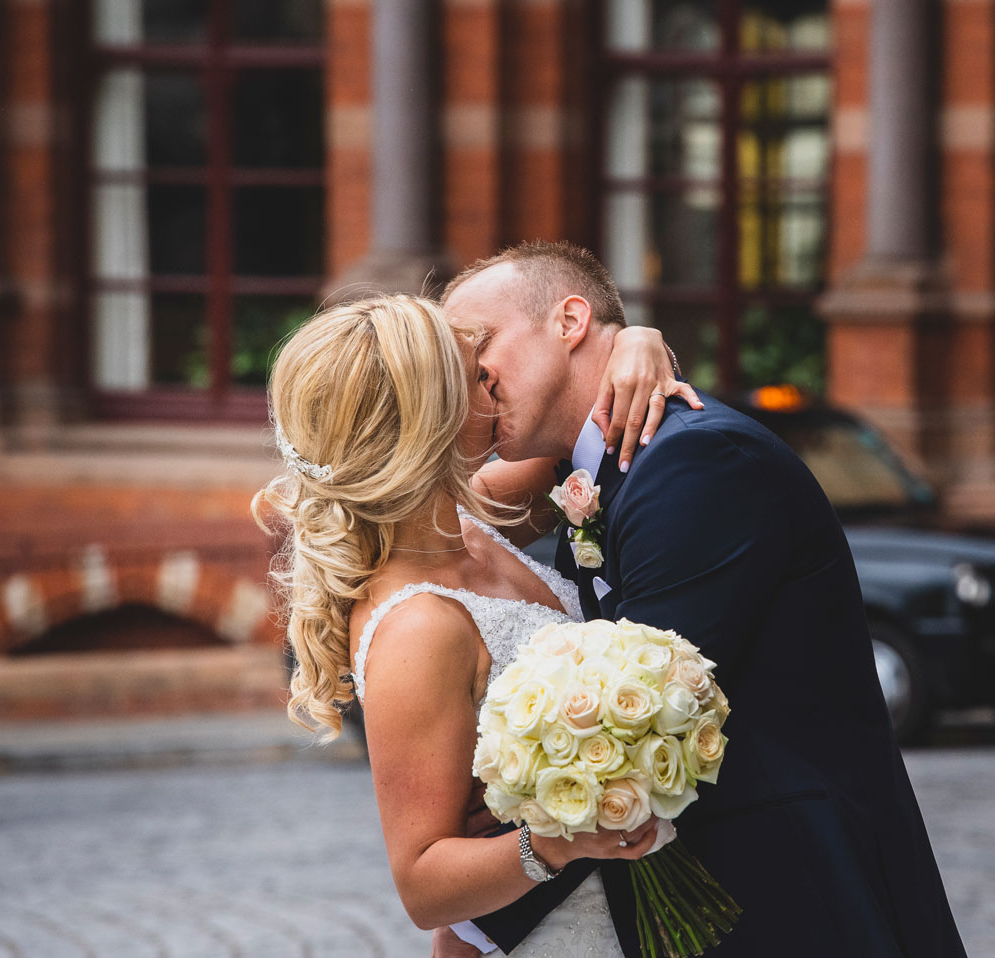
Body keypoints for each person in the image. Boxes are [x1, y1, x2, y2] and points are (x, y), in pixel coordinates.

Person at [439, 241, 967, 957]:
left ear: (569, 321)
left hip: (794, 894)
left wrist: (471, 922)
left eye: (481, 347)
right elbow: (434, 515)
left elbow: (632, 726)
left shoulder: (695, 462)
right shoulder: (586, 472)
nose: (472, 377)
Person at [254, 293, 698, 957]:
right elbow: (423, 885)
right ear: (430, 419)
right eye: (480, 375)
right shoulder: (417, 630)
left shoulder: (472, 516)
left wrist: (635, 341)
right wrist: (558, 840)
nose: (499, 380)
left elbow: (590, 421)